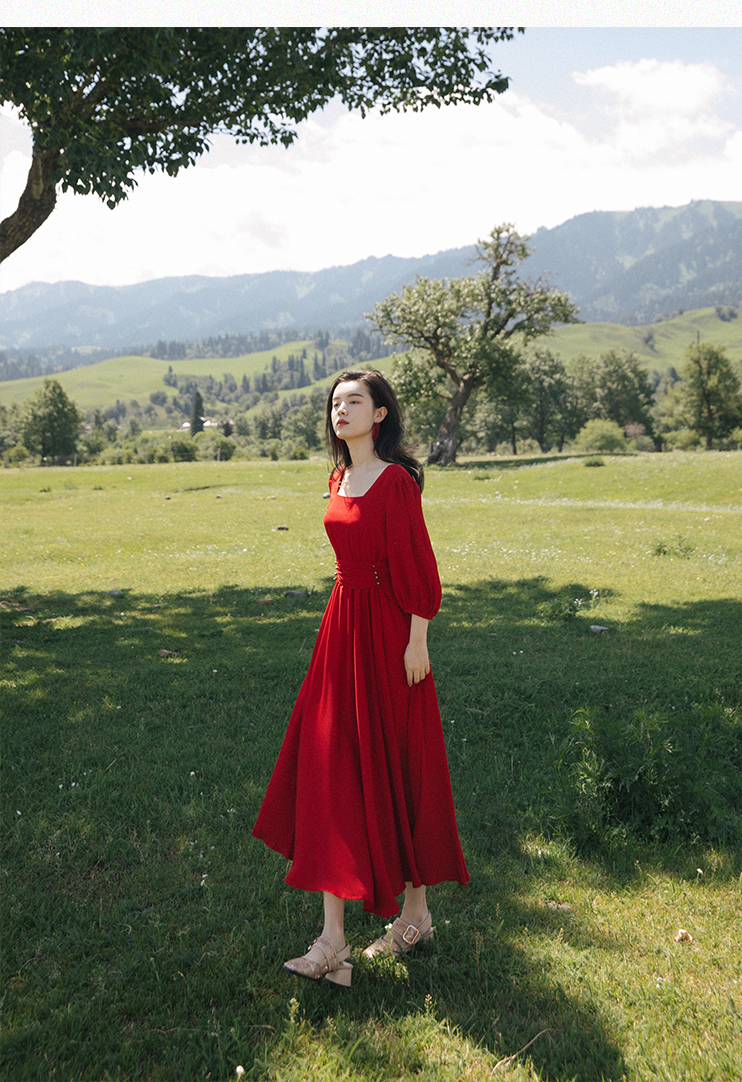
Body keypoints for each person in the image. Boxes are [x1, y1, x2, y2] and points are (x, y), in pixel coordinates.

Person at [252, 369, 468, 987]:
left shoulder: (396, 481)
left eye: (354, 402)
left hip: (391, 638)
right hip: (341, 631)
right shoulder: (338, 477)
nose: (340, 410)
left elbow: (419, 565)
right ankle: (332, 941)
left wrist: (417, 640)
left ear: (380, 415)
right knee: (333, 768)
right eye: (334, 403)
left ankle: (416, 915)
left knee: (394, 766)